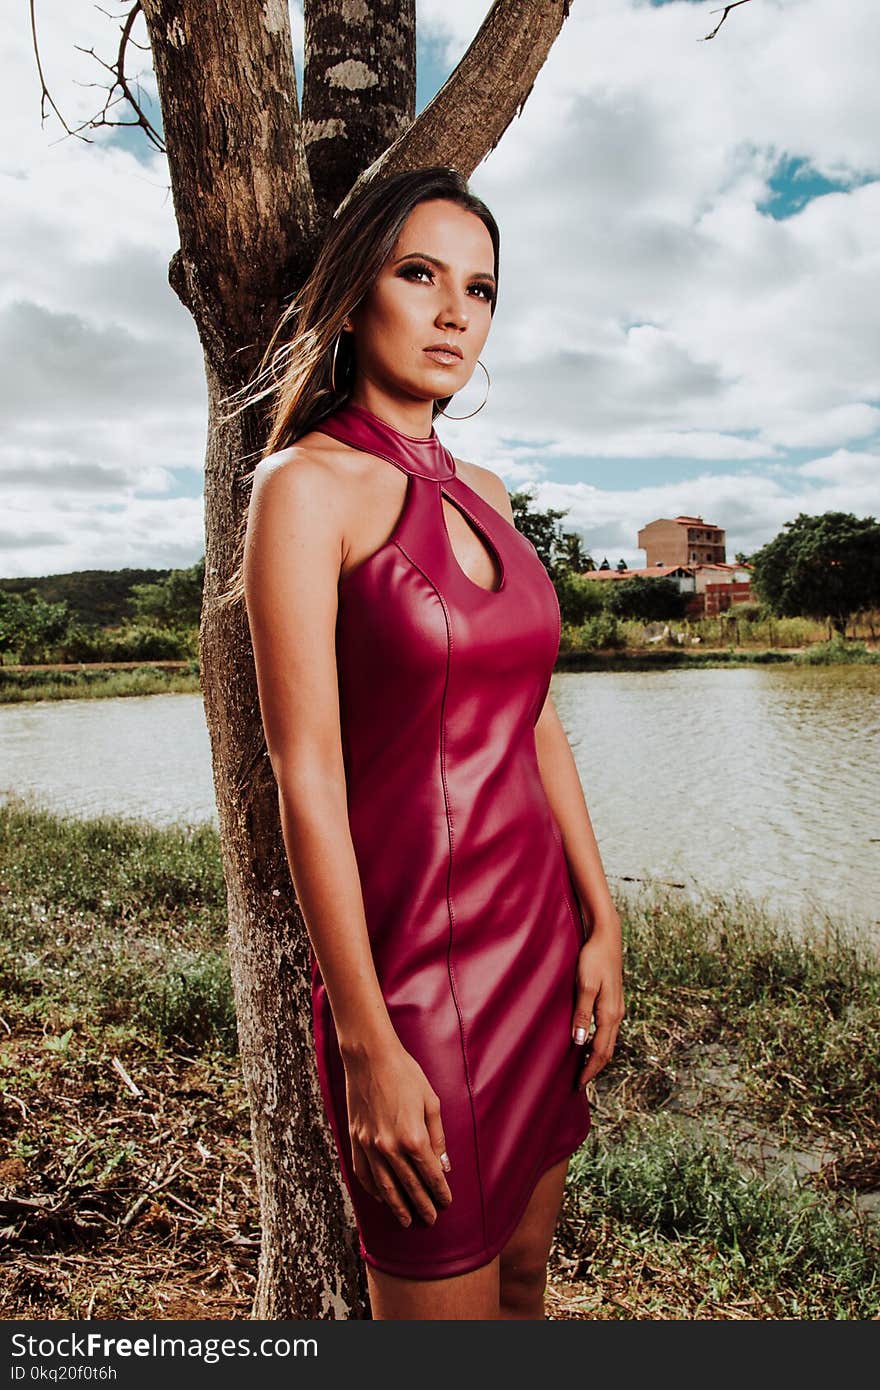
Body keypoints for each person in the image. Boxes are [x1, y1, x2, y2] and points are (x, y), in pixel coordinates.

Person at [227, 165, 624, 1320]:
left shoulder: (487, 489)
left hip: (539, 953)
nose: (456, 312)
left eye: (481, 289)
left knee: (525, 1284)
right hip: (414, 991)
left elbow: (534, 716)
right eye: (420, 275)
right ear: (356, 298)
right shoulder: (304, 489)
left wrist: (600, 918)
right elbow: (307, 774)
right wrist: (365, 1037)